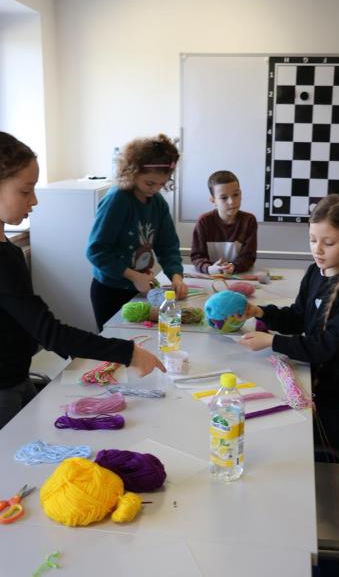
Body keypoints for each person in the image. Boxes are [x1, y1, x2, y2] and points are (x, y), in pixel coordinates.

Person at [0, 132, 165, 429]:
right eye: (26, 191)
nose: (34, 200)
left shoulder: (8, 250)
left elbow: (31, 325)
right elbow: (49, 332)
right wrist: (127, 353)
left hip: (17, 377)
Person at [238, 194, 339, 456]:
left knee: (319, 456)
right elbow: (298, 317)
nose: (318, 250)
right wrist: (261, 312)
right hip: (312, 379)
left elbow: (328, 346)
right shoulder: (315, 271)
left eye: (329, 242)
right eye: (313, 240)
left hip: (337, 396)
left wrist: (273, 341)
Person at [87, 134, 188, 331]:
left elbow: (168, 247)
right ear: (132, 172)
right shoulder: (117, 200)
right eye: (150, 183)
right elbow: (96, 251)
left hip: (140, 289)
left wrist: (176, 276)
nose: (155, 189)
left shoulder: (158, 203)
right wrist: (133, 275)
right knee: (115, 343)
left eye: (161, 184)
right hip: (110, 291)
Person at [190, 170, 257, 275]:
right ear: (213, 200)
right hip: (210, 276)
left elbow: (249, 256)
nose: (231, 201)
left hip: (238, 275)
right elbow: (197, 256)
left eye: (235, 194)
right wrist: (209, 268)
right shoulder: (204, 221)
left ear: (241, 194)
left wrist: (234, 267)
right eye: (224, 198)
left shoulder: (248, 221)